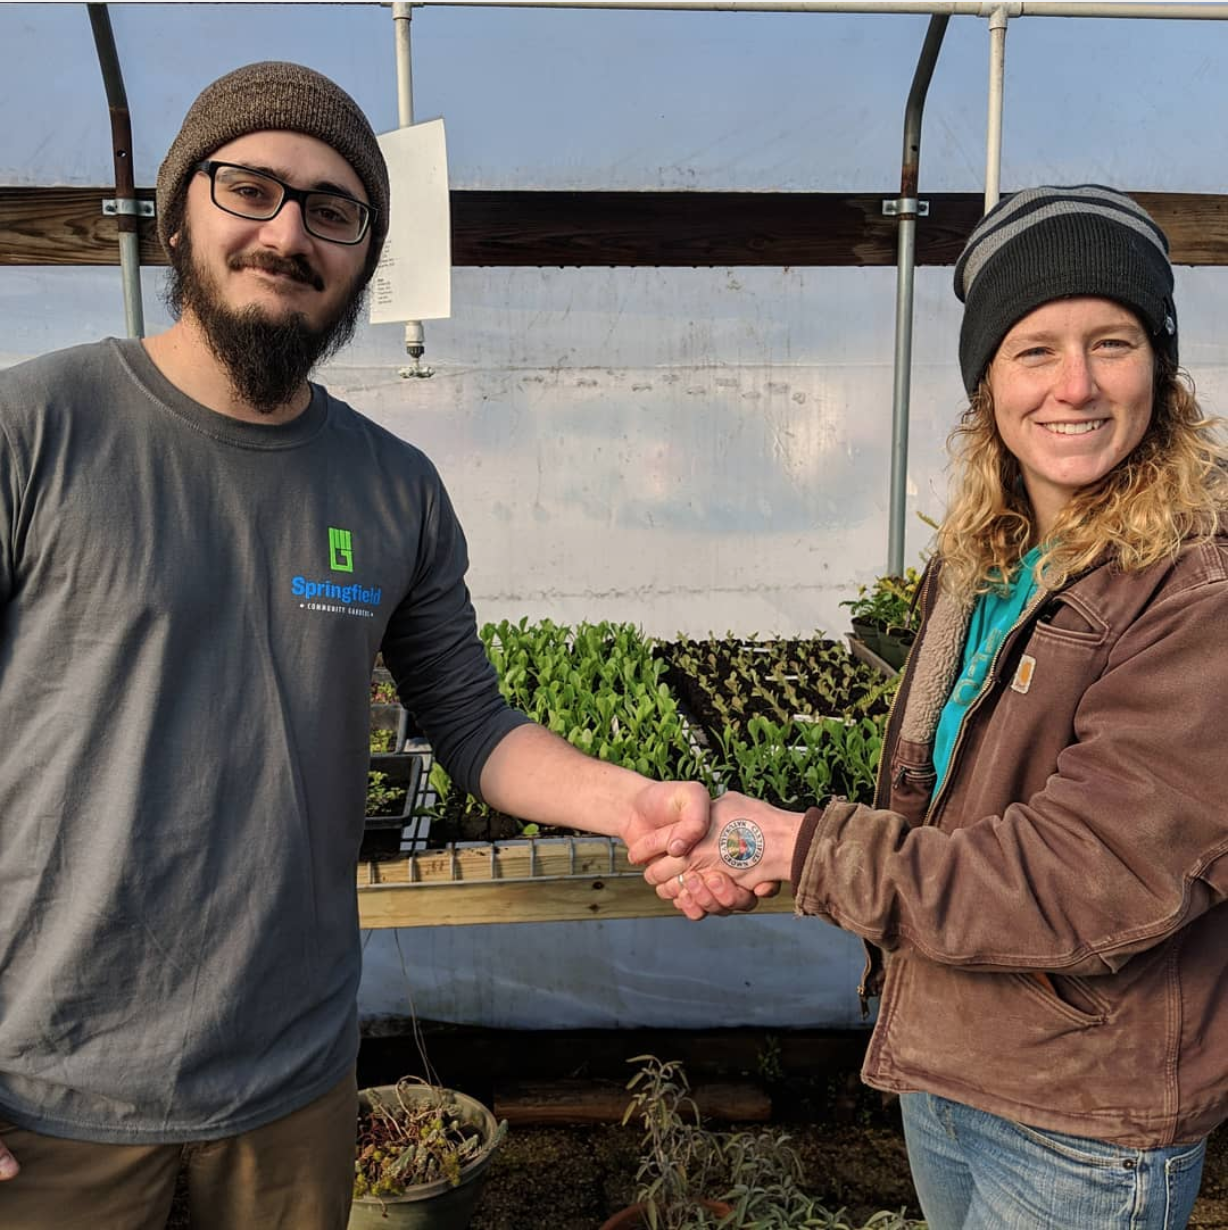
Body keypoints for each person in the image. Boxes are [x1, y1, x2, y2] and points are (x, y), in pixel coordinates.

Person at [0, 61, 742, 1230]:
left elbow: (474, 724)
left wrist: (630, 802)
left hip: (292, 1086)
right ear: (176, 209)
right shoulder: (36, 429)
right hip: (49, 1097)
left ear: (361, 256)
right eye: (250, 187)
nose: (288, 232)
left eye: (334, 210)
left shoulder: (395, 487)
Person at [634, 185, 1228, 1229]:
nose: (1075, 386)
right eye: (1033, 349)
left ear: (1161, 367)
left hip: (1078, 1114)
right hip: (948, 1056)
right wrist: (758, 847)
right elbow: (939, 804)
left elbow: (1089, 879)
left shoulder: (1194, 592)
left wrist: (796, 849)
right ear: (986, 379)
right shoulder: (983, 558)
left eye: (1113, 342)